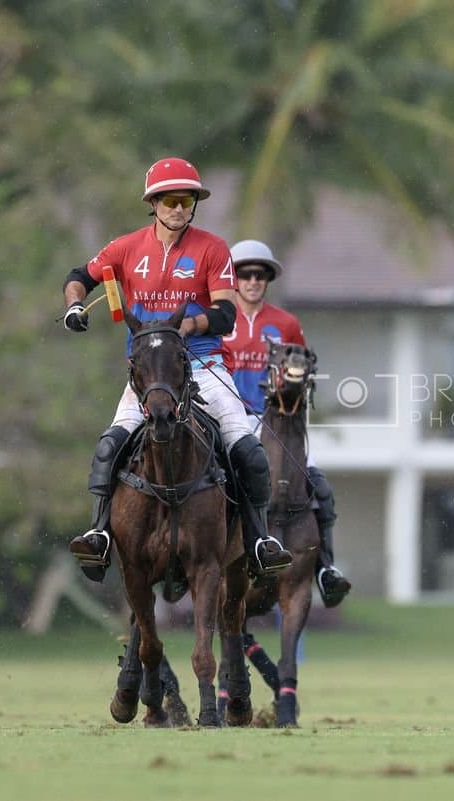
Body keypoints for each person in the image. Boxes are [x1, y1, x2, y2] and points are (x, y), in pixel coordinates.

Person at [62, 157, 293, 582]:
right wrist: (75, 305)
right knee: (110, 445)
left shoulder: (212, 248)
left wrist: (191, 324)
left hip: (202, 365)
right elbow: (79, 276)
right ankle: (98, 533)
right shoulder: (126, 248)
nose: (179, 208)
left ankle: (260, 540)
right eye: (170, 200)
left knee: (247, 448)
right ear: (153, 203)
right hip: (148, 375)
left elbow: (224, 313)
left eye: (187, 200)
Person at [223, 238, 353, 608]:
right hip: (230, 420)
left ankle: (326, 568)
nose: (252, 281)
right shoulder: (218, 320)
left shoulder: (286, 324)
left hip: (276, 424)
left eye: (260, 274)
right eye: (245, 274)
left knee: (319, 486)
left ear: (267, 279)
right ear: (234, 278)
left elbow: (304, 374)